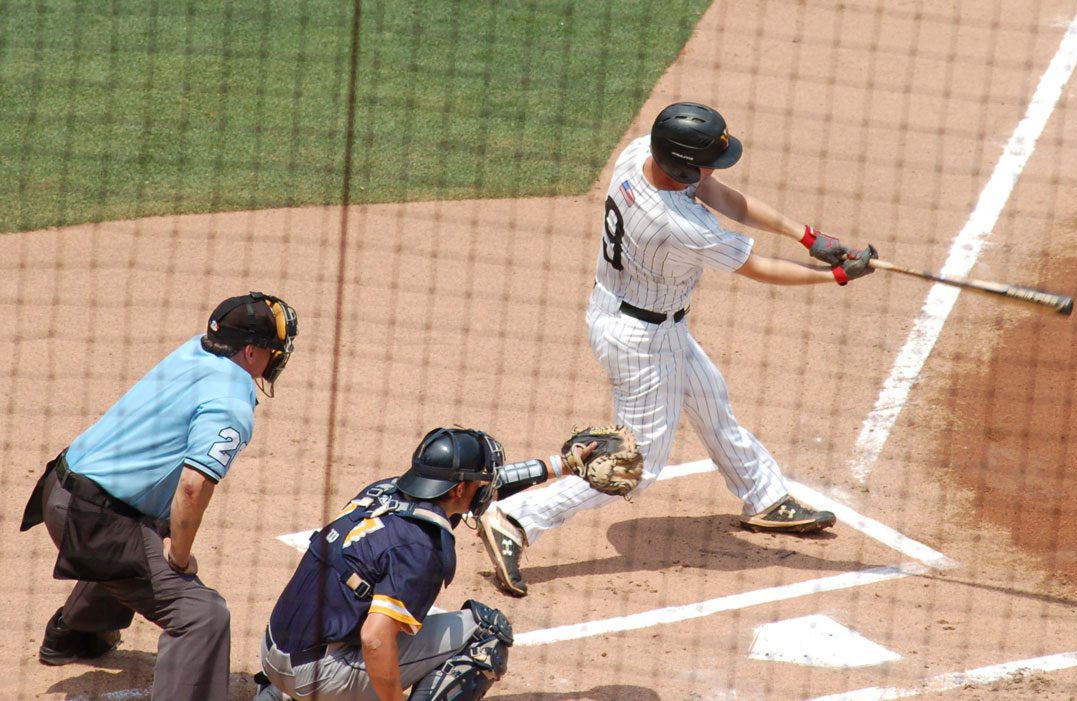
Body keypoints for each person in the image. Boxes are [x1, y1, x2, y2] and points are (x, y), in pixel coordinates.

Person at [478, 101, 879, 597]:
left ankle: (764, 497)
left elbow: (714, 190)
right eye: (707, 160)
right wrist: (835, 275)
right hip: (642, 341)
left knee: (710, 399)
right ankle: (516, 517)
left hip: (629, 314)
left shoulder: (638, 155)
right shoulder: (680, 226)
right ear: (680, 164)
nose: (712, 168)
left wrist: (808, 236)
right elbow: (758, 270)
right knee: (633, 464)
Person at [19, 291, 299, 701]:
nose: (278, 357)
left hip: (59, 489)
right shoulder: (231, 400)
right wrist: (180, 559)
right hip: (93, 520)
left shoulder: (196, 350)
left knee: (145, 535)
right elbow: (192, 486)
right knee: (201, 614)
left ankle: (77, 635)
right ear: (253, 351)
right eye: (275, 349)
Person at [254, 427, 607, 701]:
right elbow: (375, 639)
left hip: (275, 652)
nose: (486, 482)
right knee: (485, 634)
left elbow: (483, 489)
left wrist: (559, 465)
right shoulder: (421, 549)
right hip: (316, 674)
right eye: (480, 477)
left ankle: (278, 694)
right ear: (457, 490)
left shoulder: (385, 491)